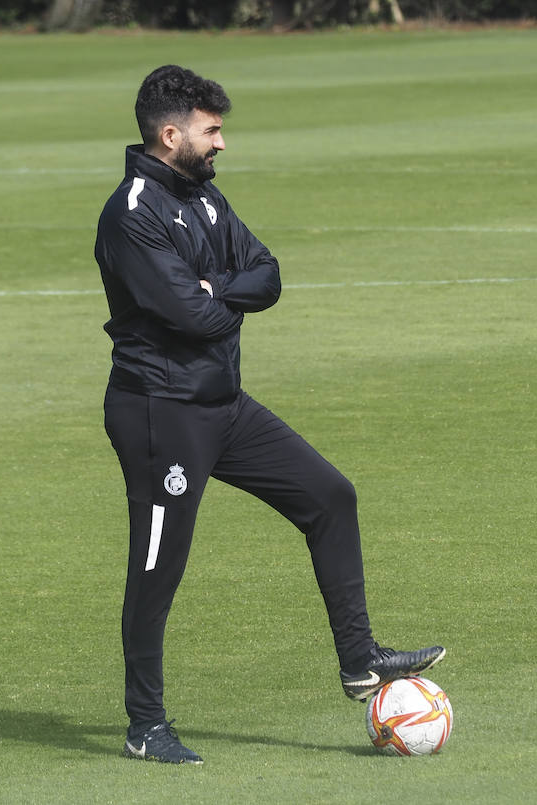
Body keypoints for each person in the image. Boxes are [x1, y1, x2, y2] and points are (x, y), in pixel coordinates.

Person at [95, 65, 445, 765]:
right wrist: (220, 298)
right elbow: (193, 317)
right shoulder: (133, 212)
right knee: (158, 566)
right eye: (212, 129)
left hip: (221, 405)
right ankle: (145, 723)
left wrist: (217, 286)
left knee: (329, 496)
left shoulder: (207, 201)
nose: (222, 142)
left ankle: (360, 660)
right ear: (172, 134)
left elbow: (269, 273)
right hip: (162, 413)